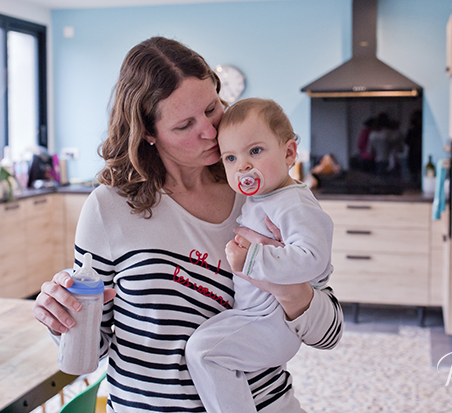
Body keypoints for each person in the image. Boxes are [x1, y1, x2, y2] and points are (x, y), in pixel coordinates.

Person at [32, 37, 343, 413]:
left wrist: (291, 291)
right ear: (148, 132)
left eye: (213, 108)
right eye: (185, 125)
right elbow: (90, 350)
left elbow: (329, 333)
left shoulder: (258, 188)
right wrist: (61, 316)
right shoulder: (109, 209)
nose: (211, 132)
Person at [185, 99, 334, 413]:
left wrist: (253, 261)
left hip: (273, 322)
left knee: (203, 351)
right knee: (203, 347)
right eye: (230, 157)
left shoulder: (294, 203)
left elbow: (313, 258)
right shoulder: (266, 198)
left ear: (289, 153)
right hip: (254, 315)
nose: (243, 166)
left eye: (255, 151)